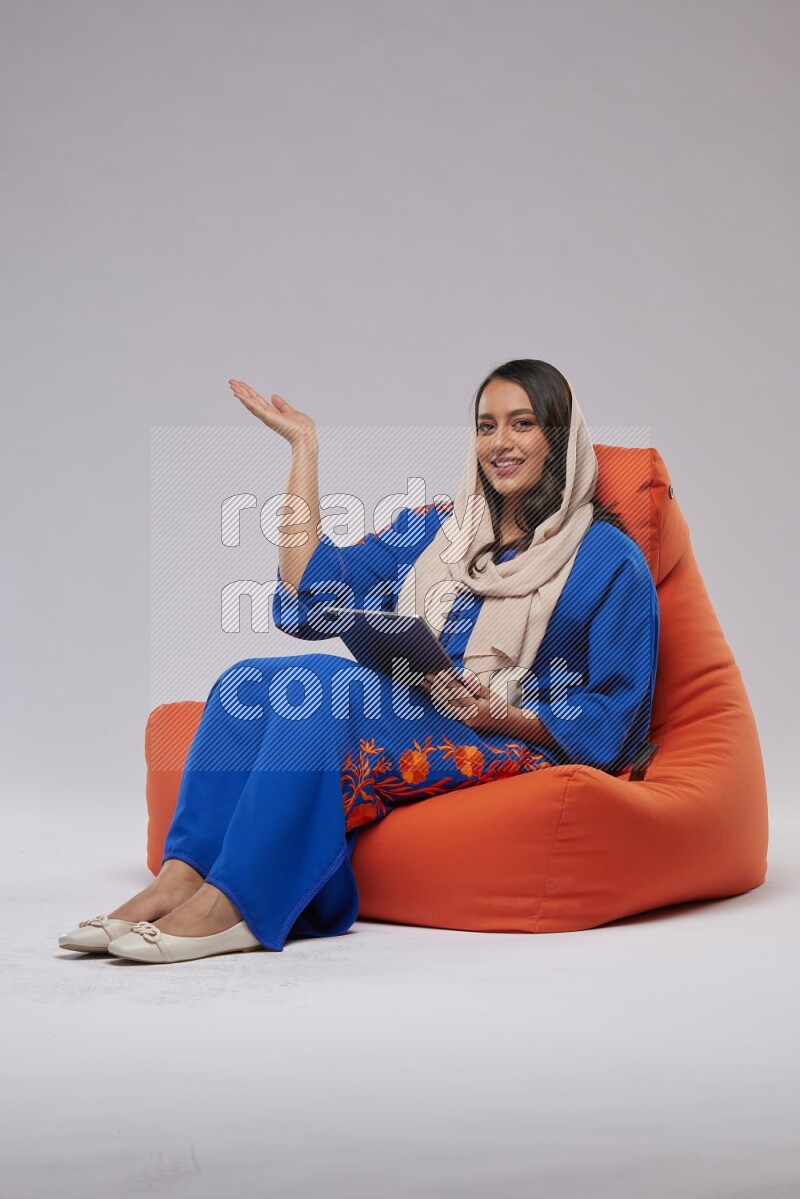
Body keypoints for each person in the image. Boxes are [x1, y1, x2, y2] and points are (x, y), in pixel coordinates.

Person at [58, 359, 659, 964]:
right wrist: (304, 447)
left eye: (521, 424)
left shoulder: (610, 560)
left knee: (326, 686)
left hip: (510, 739)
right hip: (413, 705)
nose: (499, 442)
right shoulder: (438, 532)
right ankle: (180, 878)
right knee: (248, 680)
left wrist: (502, 714)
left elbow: (618, 714)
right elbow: (311, 587)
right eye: (486, 426)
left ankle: (237, 904)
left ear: (559, 438)